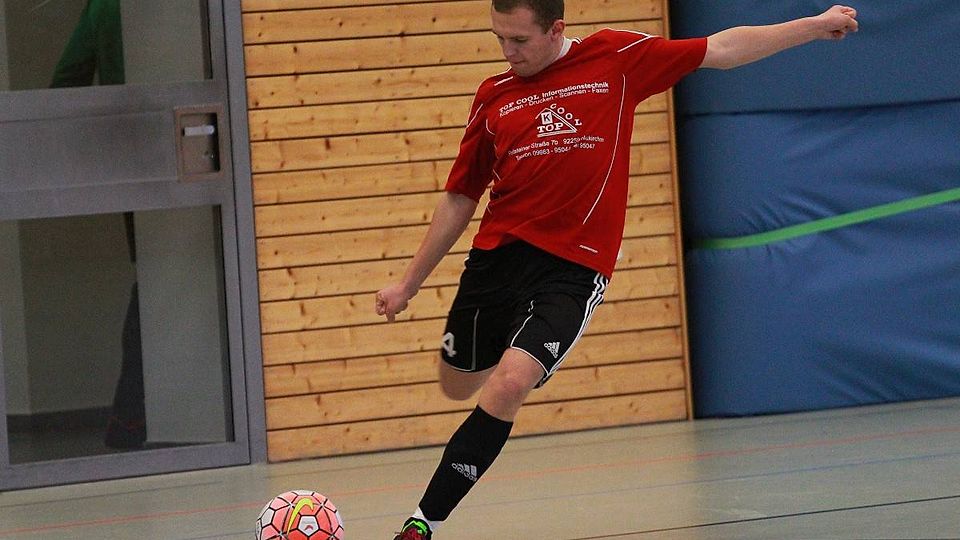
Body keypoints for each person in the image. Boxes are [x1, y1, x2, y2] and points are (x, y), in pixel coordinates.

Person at [376, 2, 859, 538]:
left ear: (556, 29)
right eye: (499, 39)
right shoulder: (494, 96)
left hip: (573, 268)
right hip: (497, 262)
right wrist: (408, 283)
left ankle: (421, 523)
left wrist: (813, 26)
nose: (507, 52)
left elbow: (722, 48)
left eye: (519, 40)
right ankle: (489, 364)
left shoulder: (615, 58)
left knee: (509, 384)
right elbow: (461, 196)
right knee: (457, 386)